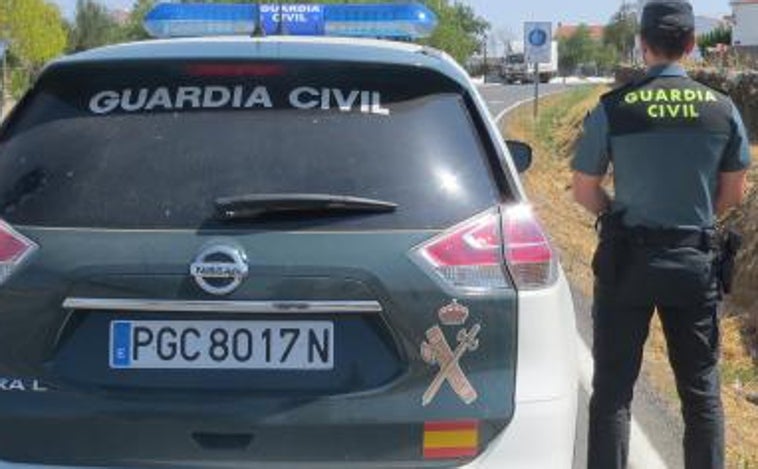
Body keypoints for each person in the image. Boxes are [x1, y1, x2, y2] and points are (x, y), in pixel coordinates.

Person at [571, 1, 751, 468]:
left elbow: (584, 190)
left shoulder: (614, 108)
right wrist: (693, 215)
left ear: (642, 45)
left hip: (626, 261)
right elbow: (733, 194)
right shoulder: (722, 109)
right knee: (701, 394)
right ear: (692, 46)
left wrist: (618, 213)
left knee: (612, 392)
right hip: (693, 263)